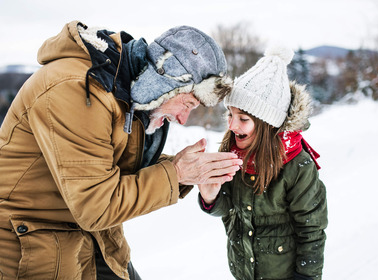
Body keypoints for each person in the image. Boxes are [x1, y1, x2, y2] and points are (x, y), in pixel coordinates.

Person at [0, 21, 243, 279]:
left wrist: (193, 171)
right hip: (31, 240)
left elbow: (116, 164)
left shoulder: (125, 90)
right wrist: (178, 174)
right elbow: (96, 205)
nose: (183, 119)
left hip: (87, 233)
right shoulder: (78, 89)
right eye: (188, 103)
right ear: (166, 82)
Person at [198, 46, 328, 280]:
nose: (232, 125)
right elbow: (230, 211)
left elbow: (312, 230)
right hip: (244, 272)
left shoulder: (297, 165)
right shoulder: (232, 151)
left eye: (243, 119)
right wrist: (212, 198)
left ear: (268, 123)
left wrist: (306, 277)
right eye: (230, 114)